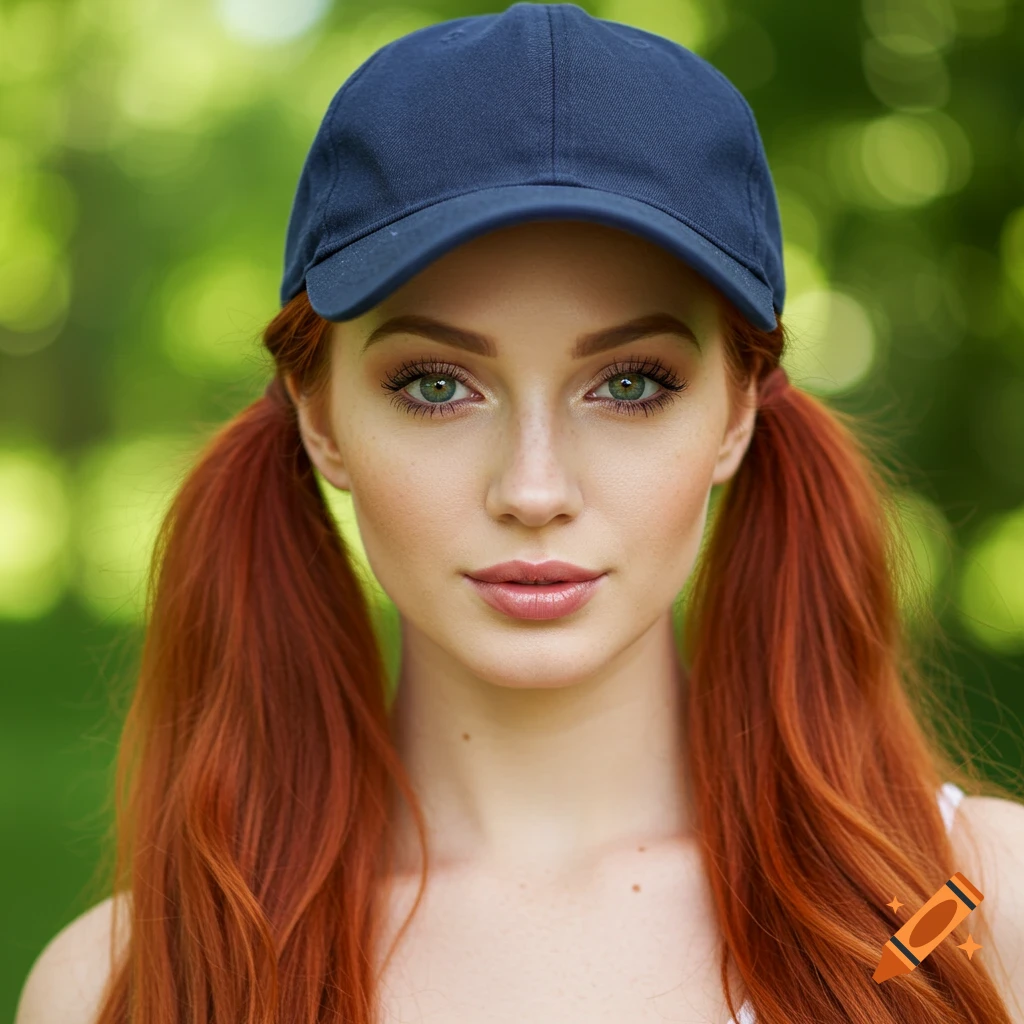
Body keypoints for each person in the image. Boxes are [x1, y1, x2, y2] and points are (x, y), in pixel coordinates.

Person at [14, 4, 1024, 1023]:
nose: (534, 490)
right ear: (321, 418)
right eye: (436, 385)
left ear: (736, 411)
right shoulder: (124, 984)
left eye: (629, 384)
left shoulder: (973, 909)